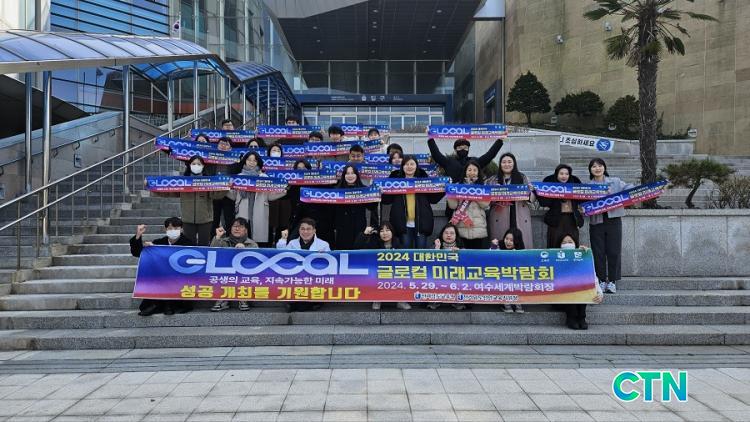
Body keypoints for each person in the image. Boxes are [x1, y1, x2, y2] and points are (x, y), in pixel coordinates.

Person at [588, 158, 634, 294]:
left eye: (600, 166)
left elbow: (630, 188)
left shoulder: (615, 181)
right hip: (596, 221)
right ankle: (601, 280)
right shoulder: (588, 186)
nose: (597, 168)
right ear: (590, 170)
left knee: (614, 251)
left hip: (614, 220)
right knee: (598, 253)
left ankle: (612, 281)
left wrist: (614, 194)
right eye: (594, 166)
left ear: (604, 167)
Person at [129, 217, 194, 316]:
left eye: (176, 228)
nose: (173, 231)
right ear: (165, 229)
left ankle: (167, 305)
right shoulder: (159, 243)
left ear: (181, 229)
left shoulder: (189, 244)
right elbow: (136, 252)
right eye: (170, 228)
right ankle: (157, 304)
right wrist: (139, 236)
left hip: (180, 277)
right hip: (161, 277)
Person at [381, 156, 444, 249]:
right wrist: (380, 191)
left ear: (416, 166)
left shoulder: (424, 181)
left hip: (421, 223)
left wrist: (444, 189)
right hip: (403, 224)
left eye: (412, 164)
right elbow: (387, 200)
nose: (409, 166)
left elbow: (433, 199)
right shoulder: (395, 182)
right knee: (405, 251)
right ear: (402, 167)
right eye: (406, 164)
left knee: (421, 251)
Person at [230, 151, 287, 247]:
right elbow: (234, 196)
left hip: (259, 210)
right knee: (242, 237)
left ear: (258, 162)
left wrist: (283, 191)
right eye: (249, 160)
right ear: (245, 161)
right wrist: (225, 188)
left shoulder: (264, 177)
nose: (251, 162)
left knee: (258, 239)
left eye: (254, 160)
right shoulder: (238, 177)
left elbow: (269, 196)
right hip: (243, 210)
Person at [277, 218, 331, 313]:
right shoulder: (292, 243)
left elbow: (330, 264)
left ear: (314, 231)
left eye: (308, 229)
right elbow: (281, 256)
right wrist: (283, 239)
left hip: (314, 278)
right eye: (302, 229)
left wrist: (322, 257)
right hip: (296, 278)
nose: (305, 232)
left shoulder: (323, 244)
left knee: (304, 305)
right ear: (299, 230)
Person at [354, 223, 410, 311]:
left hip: (395, 273)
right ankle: (377, 299)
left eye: (387, 230)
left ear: (392, 232)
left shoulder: (399, 244)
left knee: (404, 272)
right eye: (382, 231)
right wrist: (364, 234)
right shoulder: (374, 244)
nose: (385, 233)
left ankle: (401, 300)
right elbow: (357, 247)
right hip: (378, 273)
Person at [210, 217, 260, 312]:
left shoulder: (252, 244)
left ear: (246, 230)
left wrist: (245, 250)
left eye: (240, 227)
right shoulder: (223, 241)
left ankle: (243, 298)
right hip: (225, 272)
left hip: (244, 272)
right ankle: (223, 299)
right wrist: (217, 237)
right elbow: (211, 253)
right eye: (234, 226)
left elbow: (256, 262)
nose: (237, 229)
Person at [489, 152, 535, 249]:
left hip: (519, 213)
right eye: (504, 162)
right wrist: (494, 193)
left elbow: (533, 198)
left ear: (514, 163)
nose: (507, 164)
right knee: (500, 243)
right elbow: (486, 199)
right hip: (499, 214)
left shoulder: (522, 177)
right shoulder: (493, 179)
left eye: (509, 162)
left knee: (521, 243)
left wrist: (528, 193)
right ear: (500, 164)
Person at [558, 232, 604, 329]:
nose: (567, 244)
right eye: (564, 242)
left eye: (570, 242)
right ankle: (571, 317)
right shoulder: (555, 259)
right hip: (561, 297)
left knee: (581, 283)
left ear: (575, 244)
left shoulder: (581, 256)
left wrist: (599, 293)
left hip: (579, 295)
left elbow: (591, 276)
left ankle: (581, 317)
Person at [180, 156, 226, 246]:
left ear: (203, 166)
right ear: (189, 165)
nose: (196, 166)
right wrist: (153, 188)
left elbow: (216, 195)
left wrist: (226, 188)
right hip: (187, 218)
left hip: (205, 219)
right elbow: (170, 192)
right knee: (189, 245)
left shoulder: (208, 181)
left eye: (199, 164)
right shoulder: (183, 181)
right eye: (193, 164)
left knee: (204, 244)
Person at [538, 164, 585, 248]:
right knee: (554, 243)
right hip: (555, 219)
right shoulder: (550, 184)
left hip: (572, 220)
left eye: (566, 174)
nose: (564, 176)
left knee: (572, 244)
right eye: (561, 173)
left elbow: (583, 198)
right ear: (557, 174)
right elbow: (544, 202)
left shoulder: (575, 183)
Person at [446, 161, 490, 249]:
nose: (472, 172)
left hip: (478, 227)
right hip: (460, 226)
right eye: (469, 170)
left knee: (477, 256)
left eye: (474, 170)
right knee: (462, 255)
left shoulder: (483, 186)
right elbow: (453, 206)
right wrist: (449, 194)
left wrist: (472, 192)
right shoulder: (457, 186)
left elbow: (485, 205)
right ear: (465, 171)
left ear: (478, 172)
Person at [334, 165, 379, 250]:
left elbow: (371, 207)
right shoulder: (336, 190)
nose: (350, 176)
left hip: (359, 226)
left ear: (357, 175)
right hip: (343, 228)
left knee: (358, 249)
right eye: (347, 173)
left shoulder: (364, 189)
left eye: (352, 173)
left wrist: (376, 194)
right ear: (344, 176)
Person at [427, 137, 504, 183]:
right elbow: (436, 155)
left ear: (468, 149)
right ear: (455, 150)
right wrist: (430, 139)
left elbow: (489, 155)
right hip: (454, 198)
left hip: (473, 199)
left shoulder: (475, 161)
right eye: (460, 148)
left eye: (465, 148)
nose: (463, 149)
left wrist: (499, 141)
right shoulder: (449, 161)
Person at [491, 228, 526, 313]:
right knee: (503, 285)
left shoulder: (520, 250)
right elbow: (490, 256)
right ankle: (507, 306)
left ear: (517, 241)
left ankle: (518, 306)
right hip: (502, 276)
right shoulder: (499, 245)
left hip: (515, 276)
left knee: (517, 286)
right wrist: (493, 246)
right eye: (506, 239)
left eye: (511, 240)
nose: (508, 242)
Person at [430, 223, 464, 310]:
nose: (449, 235)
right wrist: (436, 249)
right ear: (442, 234)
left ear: (456, 235)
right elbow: (429, 264)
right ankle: (434, 300)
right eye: (446, 233)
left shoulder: (461, 248)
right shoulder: (435, 246)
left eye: (452, 233)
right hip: (439, 275)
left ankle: (458, 301)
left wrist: (460, 254)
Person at [267, 142, 291, 242]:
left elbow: (291, 180)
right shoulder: (264, 165)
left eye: (278, 151)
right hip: (269, 198)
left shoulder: (287, 166)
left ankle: (280, 242)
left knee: (283, 224)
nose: (276, 152)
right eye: (274, 150)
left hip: (284, 199)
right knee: (268, 224)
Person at [380, 151, 404, 223]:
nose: (397, 160)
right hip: (393, 208)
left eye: (399, 157)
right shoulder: (387, 175)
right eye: (394, 158)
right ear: (390, 161)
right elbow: (386, 200)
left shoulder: (409, 173)